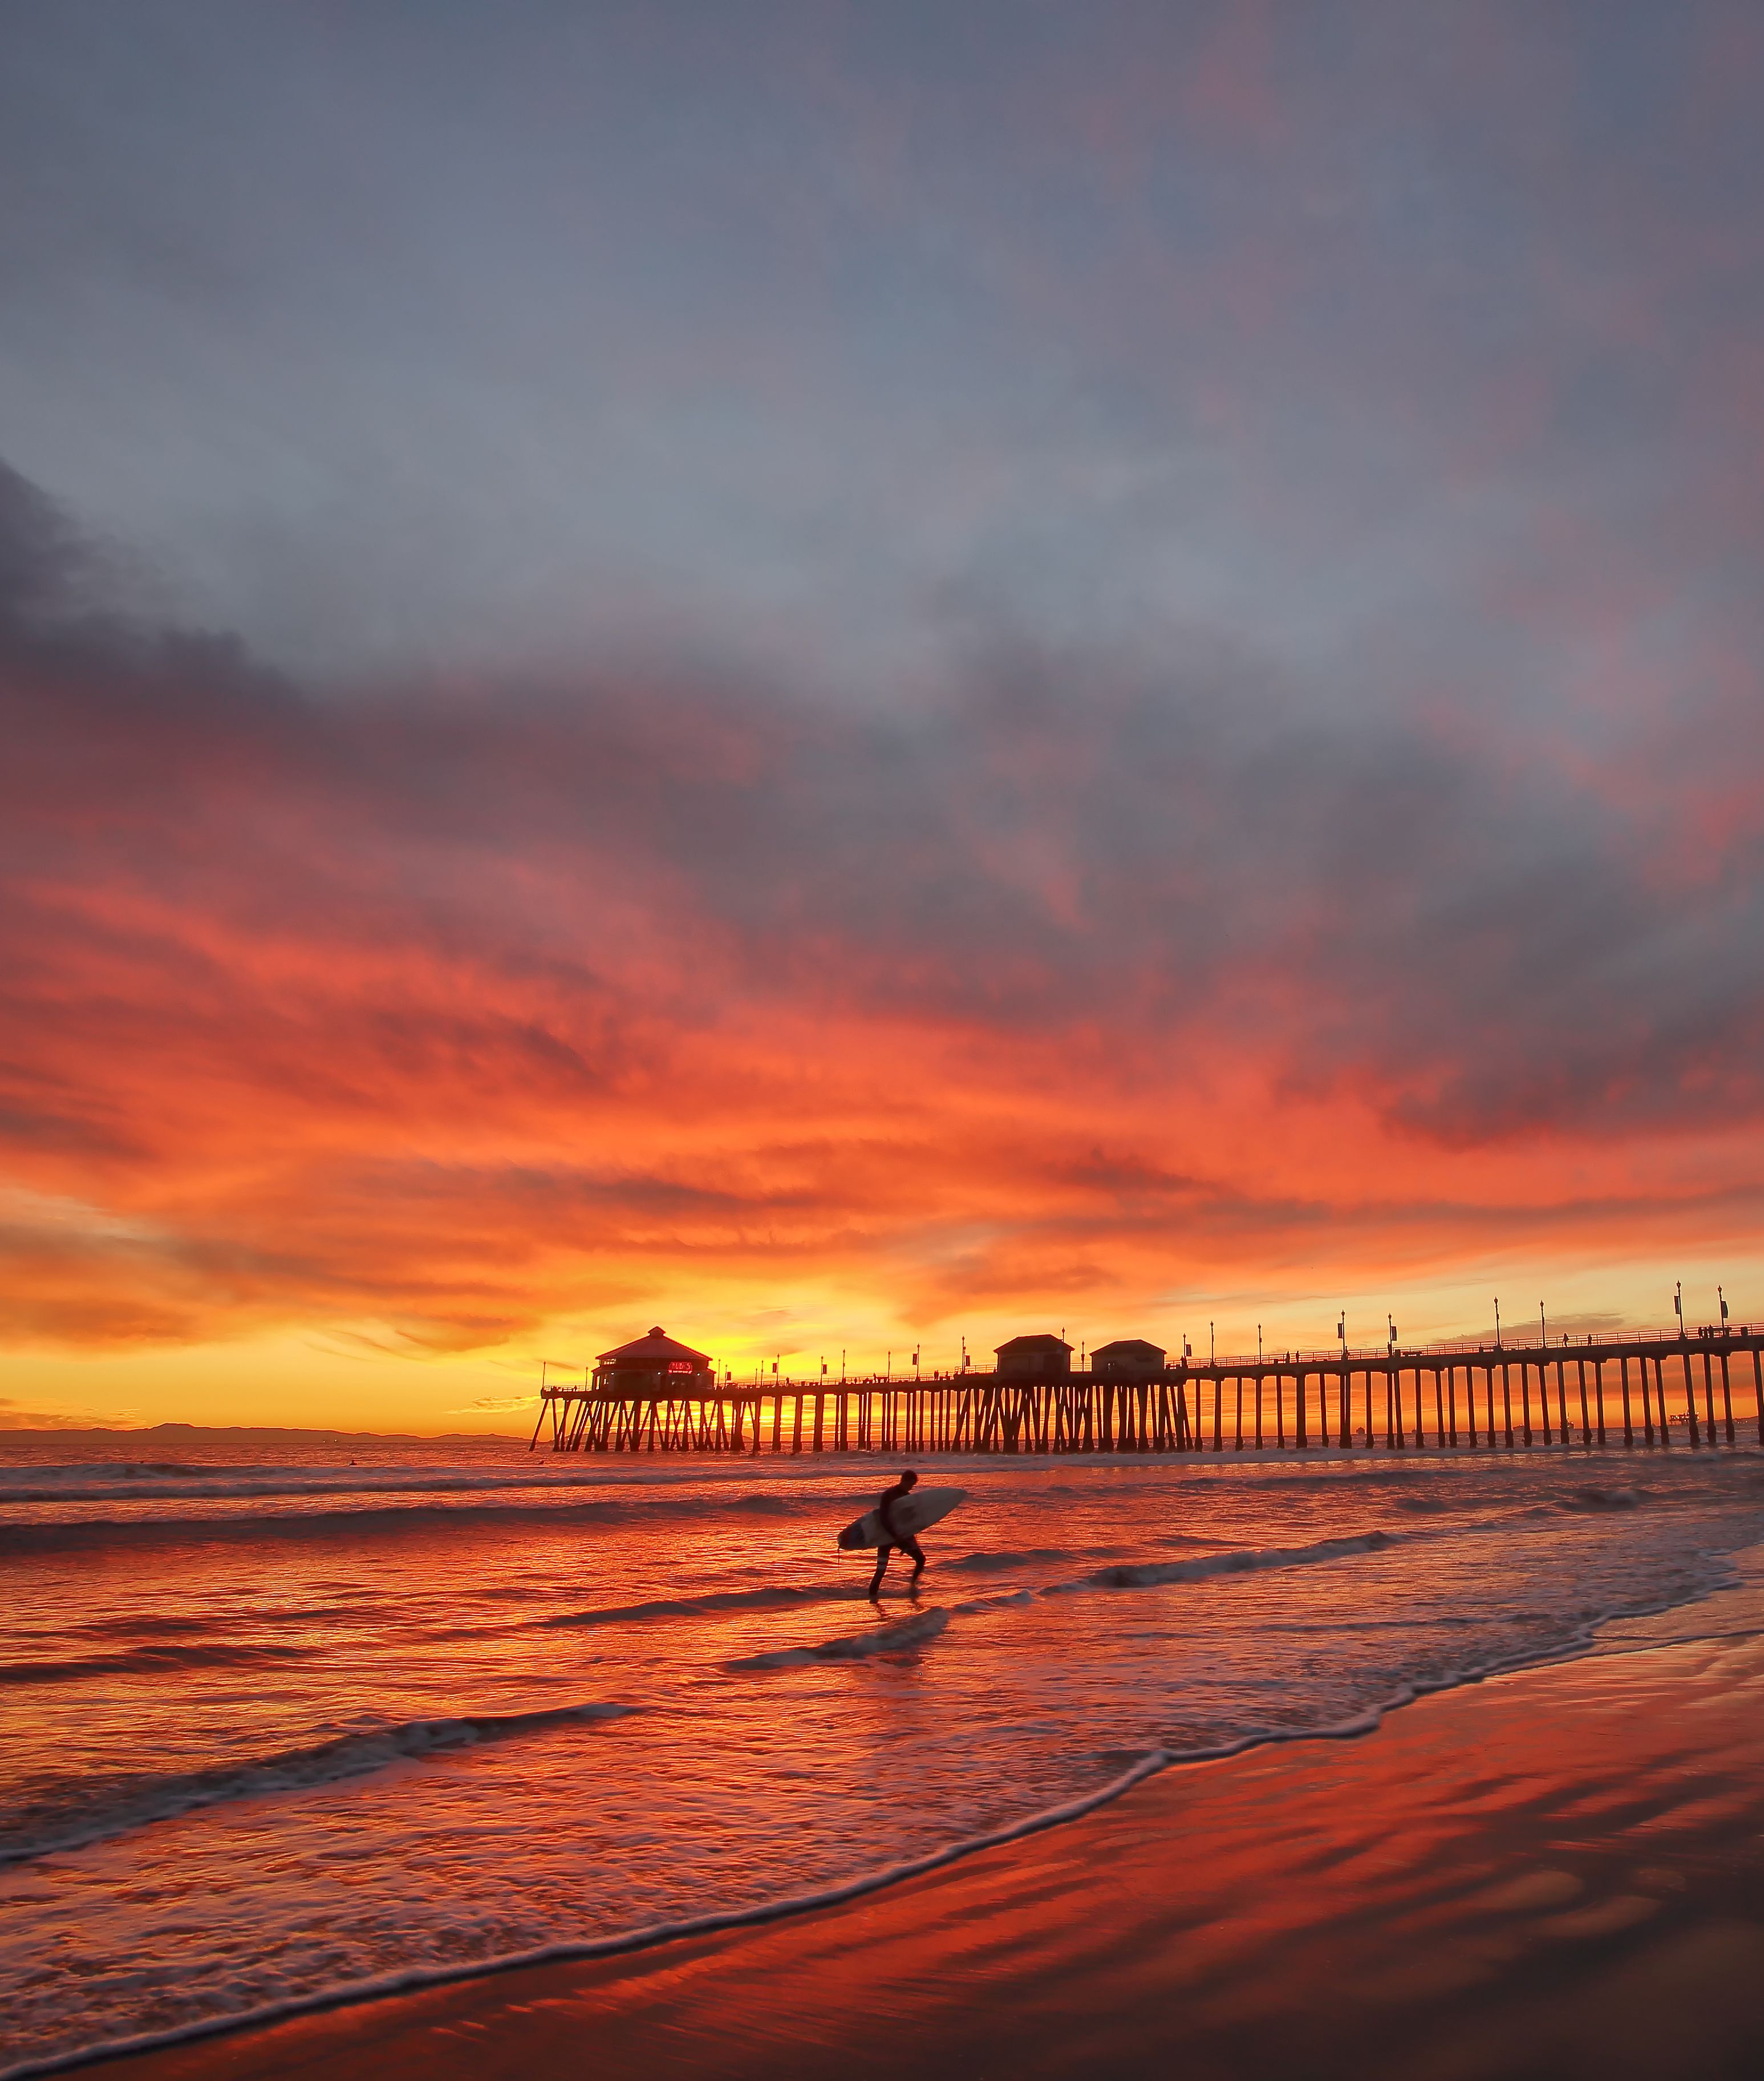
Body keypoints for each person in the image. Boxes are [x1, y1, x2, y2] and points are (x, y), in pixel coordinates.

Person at [869, 1469, 925, 1598]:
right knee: (881, 1571)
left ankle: (912, 1586)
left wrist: (911, 1540)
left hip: (902, 1537)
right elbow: (883, 1518)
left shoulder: (907, 1498)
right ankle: (872, 1598)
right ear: (905, 1481)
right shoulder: (889, 1495)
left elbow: (908, 1522)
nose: (911, 1487)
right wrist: (895, 1537)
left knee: (921, 1560)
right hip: (886, 1537)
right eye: (911, 1484)